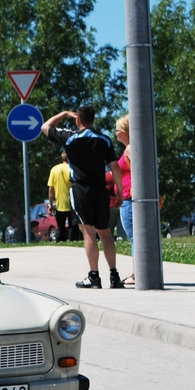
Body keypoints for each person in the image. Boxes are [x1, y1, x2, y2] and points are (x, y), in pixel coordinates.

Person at [42, 105, 125, 289]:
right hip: (100, 190)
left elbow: (45, 127)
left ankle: (94, 276)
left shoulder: (70, 138)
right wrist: (119, 191)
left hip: (80, 190)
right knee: (106, 233)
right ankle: (114, 275)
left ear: (77, 119)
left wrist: (63, 114)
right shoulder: (104, 140)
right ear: (93, 120)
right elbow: (114, 167)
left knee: (88, 233)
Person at [114, 115, 135, 284]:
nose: (115, 132)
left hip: (129, 197)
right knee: (135, 235)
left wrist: (135, 186)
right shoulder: (129, 148)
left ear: (126, 132)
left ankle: (137, 273)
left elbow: (136, 169)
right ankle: (138, 272)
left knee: (134, 235)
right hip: (127, 195)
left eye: (118, 130)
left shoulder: (130, 149)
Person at [47, 152, 77, 242]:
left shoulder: (54, 169)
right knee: (73, 226)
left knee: (60, 226)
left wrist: (51, 204)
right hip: (73, 202)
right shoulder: (72, 169)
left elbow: (51, 189)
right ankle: (72, 241)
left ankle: (60, 241)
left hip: (60, 202)